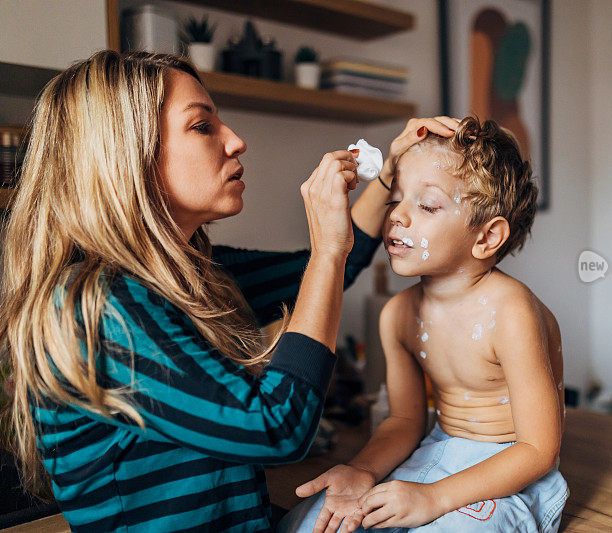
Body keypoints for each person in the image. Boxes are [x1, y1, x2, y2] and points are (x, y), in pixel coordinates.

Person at [0, 49, 459, 532]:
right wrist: (326, 250)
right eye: (203, 126)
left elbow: (327, 274)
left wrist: (388, 173)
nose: (237, 142)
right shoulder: (97, 305)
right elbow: (277, 426)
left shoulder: (191, 276)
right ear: (124, 152)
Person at [279, 116, 569, 533]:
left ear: (486, 238)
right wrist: (361, 471)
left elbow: (539, 449)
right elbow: (405, 422)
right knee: (314, 522)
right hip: (433, 454)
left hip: (508, 475)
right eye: (396, 199)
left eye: (427, 205)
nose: (397, 215)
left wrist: (432, 499)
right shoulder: (397, 314)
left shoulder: (511, 312)